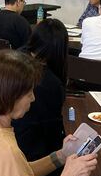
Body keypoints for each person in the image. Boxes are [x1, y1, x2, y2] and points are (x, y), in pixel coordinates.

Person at [14, 19, 67, 163]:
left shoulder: (17, 56)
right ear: (60, 49)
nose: (32, 97)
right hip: (30, 153)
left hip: (13, 139)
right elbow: (52, 133)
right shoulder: (49, 83)